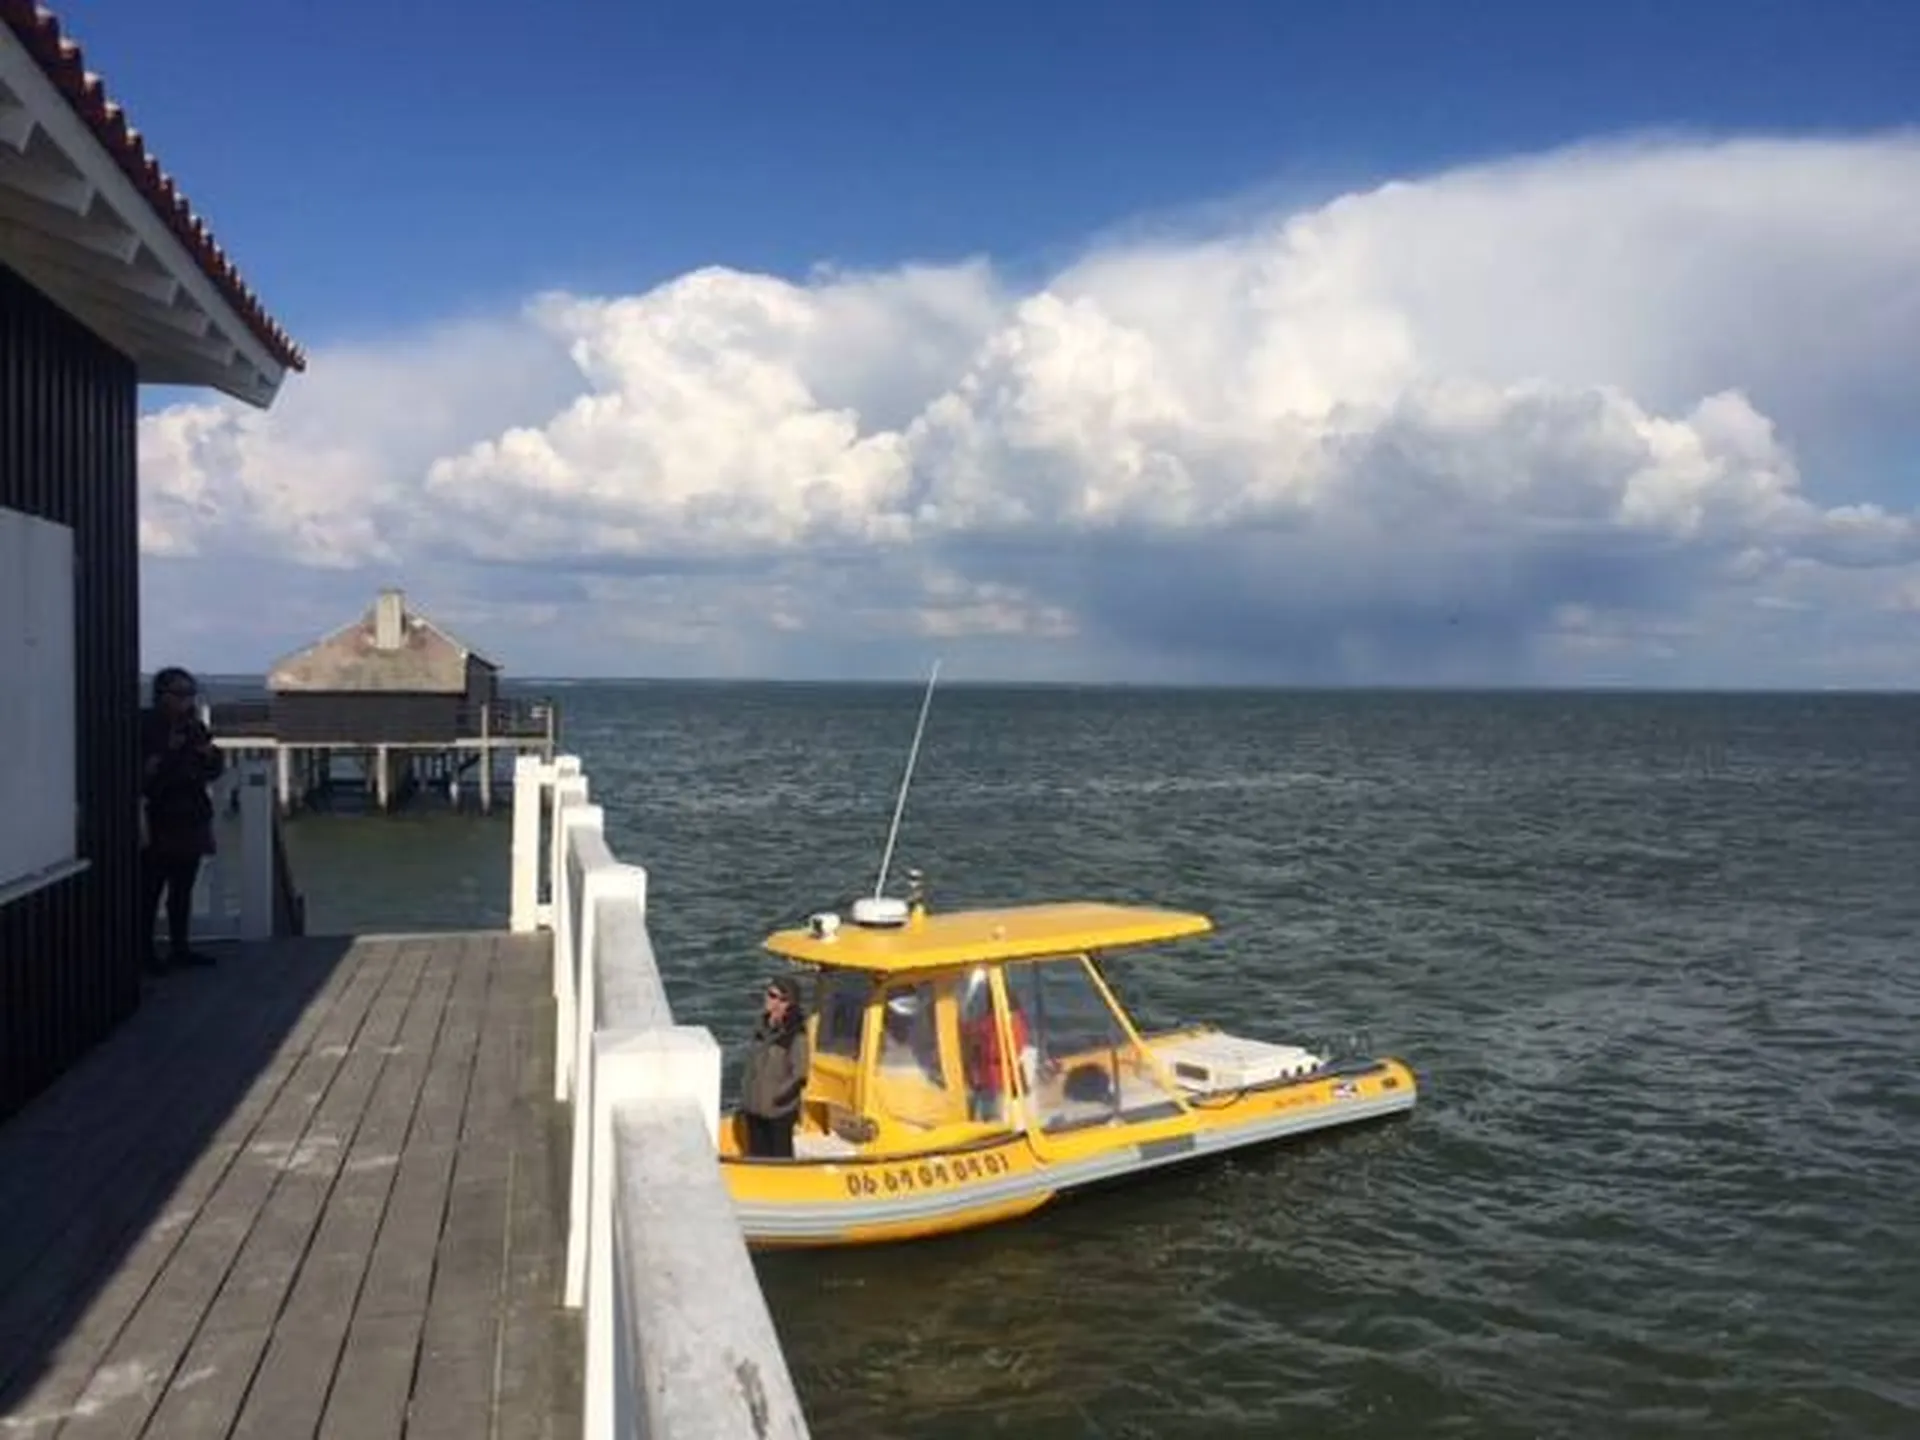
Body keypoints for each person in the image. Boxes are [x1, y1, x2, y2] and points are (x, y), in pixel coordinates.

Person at [140, 667, 225, 974]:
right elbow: (146, 773)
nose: (187, 701)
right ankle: (145, 952)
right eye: (180, 694)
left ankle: (180, 948)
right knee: (150, 889)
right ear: (162, 695)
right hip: (159, 816)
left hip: (191, 813)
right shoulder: (147, 725)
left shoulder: (194, 727)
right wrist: (168, 751)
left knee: (183, 888)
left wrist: (209, 757)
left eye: (190, 694)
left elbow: (214, 769)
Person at [738, 976, 810, 1158]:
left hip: (778, 1112)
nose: (771, 1000)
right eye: (770, 994)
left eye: (777, 997)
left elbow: (800, 1074)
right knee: (756, 1156)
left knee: (780, 1159)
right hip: (754, 1108)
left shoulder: (796, 1035)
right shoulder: (761, 1026)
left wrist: (777, 1099)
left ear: (788, 1003)